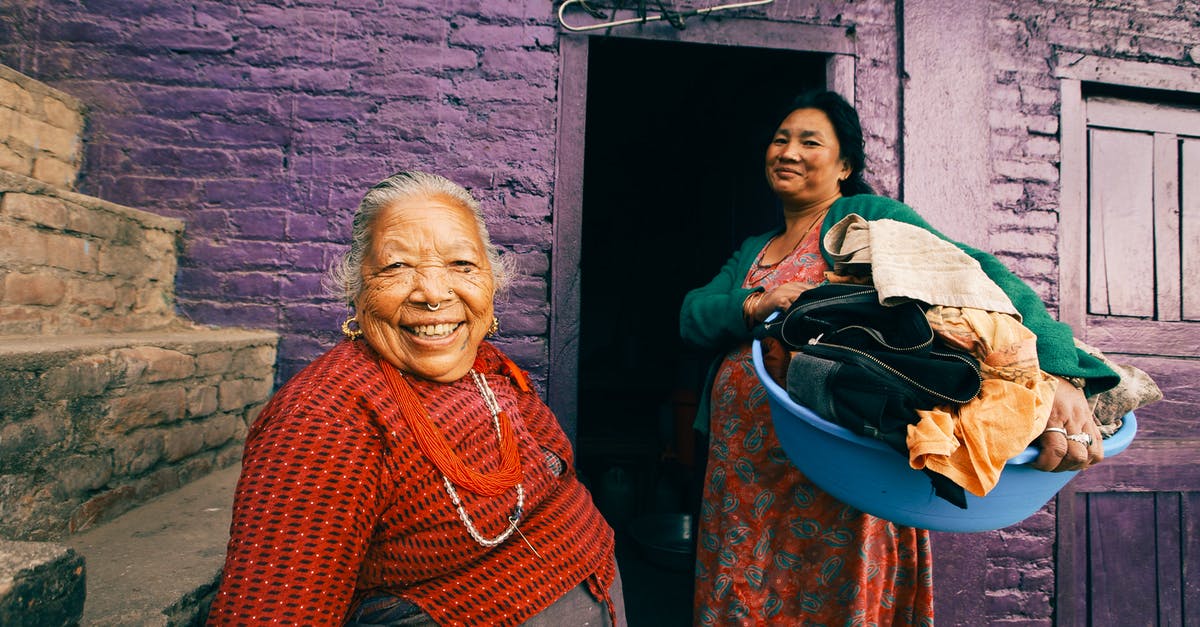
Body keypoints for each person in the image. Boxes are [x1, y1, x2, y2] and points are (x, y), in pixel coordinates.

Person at [679, 90, 1119, 625]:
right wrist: (756, 302)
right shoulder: (754, 247)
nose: (788, 151)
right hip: (745, 463)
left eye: (809, 141)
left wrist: (1058, 369)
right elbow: (692, 315)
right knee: (746, 580)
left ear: (845, 166)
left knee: (832, 586)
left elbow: (980, 274)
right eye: (780, 139)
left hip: (837, 453)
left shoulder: (865, 218)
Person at [208, 171, 626, 626]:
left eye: (462, 265)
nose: (433, 293)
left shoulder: (486, 364)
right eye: (396, 267)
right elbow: (273, 611)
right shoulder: (323, 418)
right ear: (356, 288)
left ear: (491, 280)